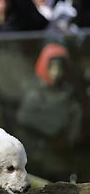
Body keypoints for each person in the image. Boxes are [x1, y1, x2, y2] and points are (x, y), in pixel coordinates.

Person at [17, 43, 83, 181]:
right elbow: (24, 117)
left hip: (62, 159)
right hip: (38, 157)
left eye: (60, 68)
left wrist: (69, 139)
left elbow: (75, 118)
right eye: (52, 67)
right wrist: (54, 130)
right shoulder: (35, 93)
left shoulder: (68, 93)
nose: (56, 73)